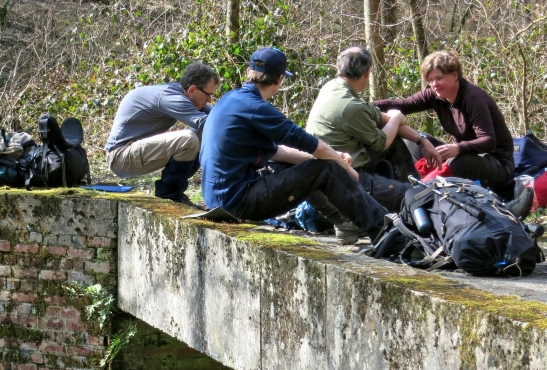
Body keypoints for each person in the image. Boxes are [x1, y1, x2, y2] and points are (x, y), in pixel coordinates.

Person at [200, 47, 389, 241]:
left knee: (310, 164)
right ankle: (387, 231)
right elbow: (311, 144)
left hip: (218, 199)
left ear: (249, 72)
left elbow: (280, 152)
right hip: (236, 202)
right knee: (326, 169)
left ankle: (345, 223)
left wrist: (334, 155)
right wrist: (346, 168)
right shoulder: (256, 108)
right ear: (280, 79)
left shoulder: (231, 99)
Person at [306, 46, 441, 243]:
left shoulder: (333, 87)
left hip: (345, 163)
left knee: (394, 138)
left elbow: (381, 118)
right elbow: (381, 143)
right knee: (415, 195)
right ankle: (412, 196)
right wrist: (397, 118)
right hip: (345, 178)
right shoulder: (350, 106)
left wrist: (422, 140)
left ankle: (414, 187)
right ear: (367, 72)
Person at [373, 50, 515, 198]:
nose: (434, 84)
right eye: (430, 80)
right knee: (413, 141)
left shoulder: (474, 98)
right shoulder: (435, 95)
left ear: (455, 75)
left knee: (462, 161)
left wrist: (458, 148)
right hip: (462, 155)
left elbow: (489, 141)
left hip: (498, 165)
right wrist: (364, 107)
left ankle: (417, 193)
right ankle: (412, 181)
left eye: (439, 78)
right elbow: (401, 105)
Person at [106, 62, 220, 206]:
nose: (209, 100)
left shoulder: (179, 93)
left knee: (201, 134)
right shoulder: (169, 97)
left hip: (131, 153)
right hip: (119, 157)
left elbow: (217, 115)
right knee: (188, 139)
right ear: (192, 89)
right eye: (208, 95)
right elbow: (207, 123)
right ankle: (169, 194)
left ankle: (176, 190)